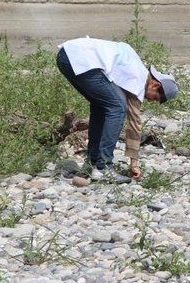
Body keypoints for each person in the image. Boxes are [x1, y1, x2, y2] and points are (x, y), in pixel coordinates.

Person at [56, 37, 178, 183]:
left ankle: (91, 164)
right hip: (81, 59)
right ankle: (103, 168)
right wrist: (134, 163)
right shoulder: (138, 79)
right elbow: (134, 124)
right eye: (156, 98)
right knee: (117, 107)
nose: (151, 100)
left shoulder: (135, 69)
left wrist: (133, 162)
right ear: (155, 85)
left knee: (101, 105)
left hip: (66, 56)